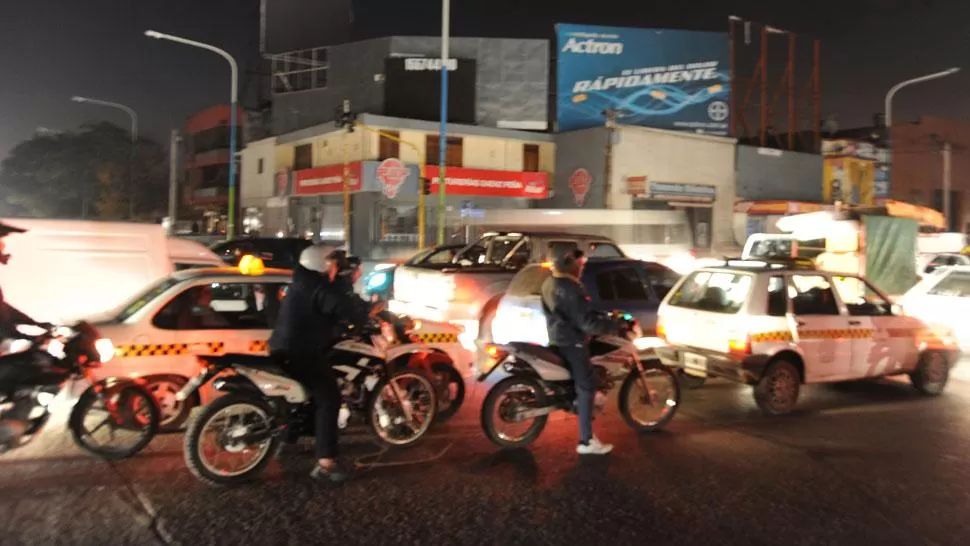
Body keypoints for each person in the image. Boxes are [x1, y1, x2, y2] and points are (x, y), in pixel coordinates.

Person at [267, 244, 371, 482]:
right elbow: (348, 312)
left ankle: (291, 437)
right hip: (301, 351)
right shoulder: (321, 288)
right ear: (323, 265)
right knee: (329, 397)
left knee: (313, 390)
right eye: (333, 263)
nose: (336, 267)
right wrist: (367, 309)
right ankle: (326, 463)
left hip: (283, 347)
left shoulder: (302, 283)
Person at [540, 249, 622, 455]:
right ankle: (586, 441)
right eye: (580, 263)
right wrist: (612, 326)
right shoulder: (570, 288)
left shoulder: (550, 283)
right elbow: (586, 322)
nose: (582, 267)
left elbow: (580, 312)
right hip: (572, 342)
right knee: (587, 385)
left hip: (556, 337)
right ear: (569, 264)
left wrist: (601, 316)